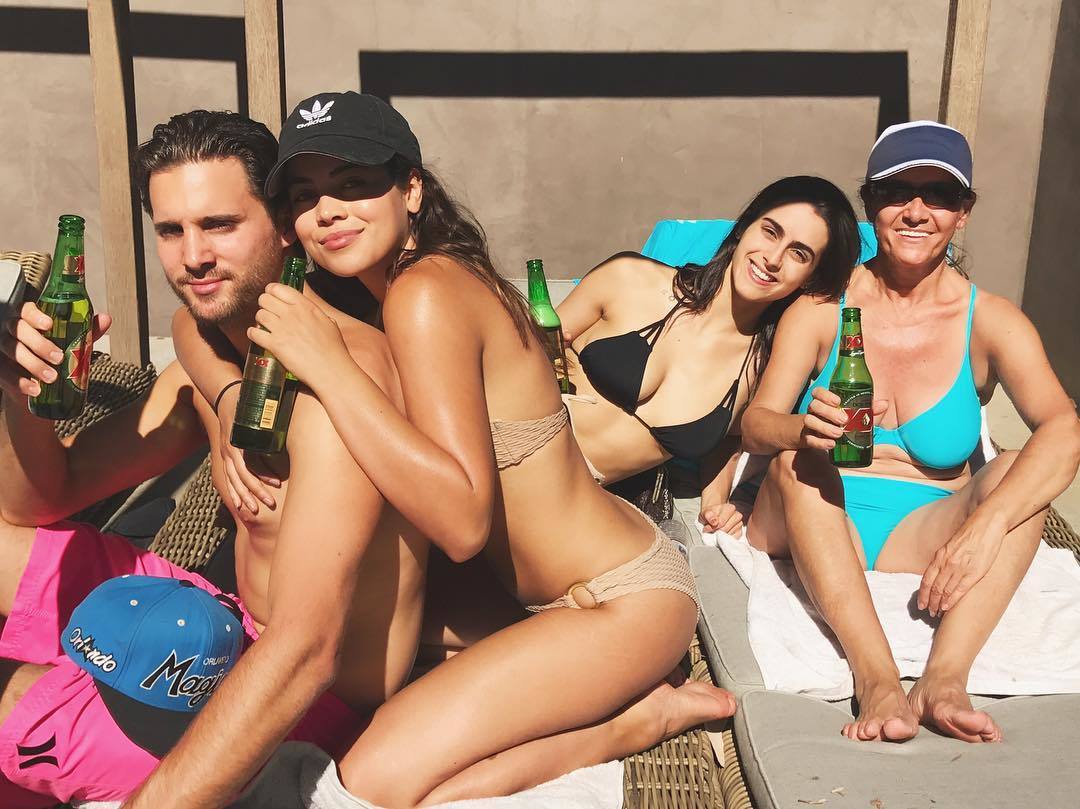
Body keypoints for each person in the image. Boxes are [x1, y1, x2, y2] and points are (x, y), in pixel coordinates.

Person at [174, 90, 737, 808]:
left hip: (618, 600)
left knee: (371, 778)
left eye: (354, 183)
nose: (329, 210)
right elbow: (194, 321)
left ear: (410, 189)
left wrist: (331, 368)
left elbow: (465, 524)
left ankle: (635, 722)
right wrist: (228, 399)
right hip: (516, 598)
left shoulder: (425, 292)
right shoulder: (362, 290)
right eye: (307, 195)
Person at [0, 110, 426, 808]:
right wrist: (22, 397)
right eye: (171, 230)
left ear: (285, 225)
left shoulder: (333, 383)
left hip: (293, 695)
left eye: (220, 225)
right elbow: (45, 498)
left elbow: (306, 654)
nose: (193, 256)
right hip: (213, 613)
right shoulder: (218, 355)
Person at [740, 120, 1080, 743]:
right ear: (871, 204)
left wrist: (986, 525)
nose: (917, 211)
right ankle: (877, 680)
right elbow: (757, 425)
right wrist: (802, 428)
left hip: (921, 529)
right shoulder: (822, 307)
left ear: (963, 213)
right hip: (807, 516)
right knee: (796, 462)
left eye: (940, 195)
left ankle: (944, 679)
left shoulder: (990, 320)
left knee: (1018, 475)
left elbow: (1064, 428)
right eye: (898, 192)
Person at [557, 176, 861, 534]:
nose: (773, 258)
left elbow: (728, 437)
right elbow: (528, 348)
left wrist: (716, 500)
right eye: (770, 232)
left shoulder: (759, 369)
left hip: (581, 502)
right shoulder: (629, 278)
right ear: (745, 228)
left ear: (811, 278)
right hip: (522, 448)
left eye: (799, 254)